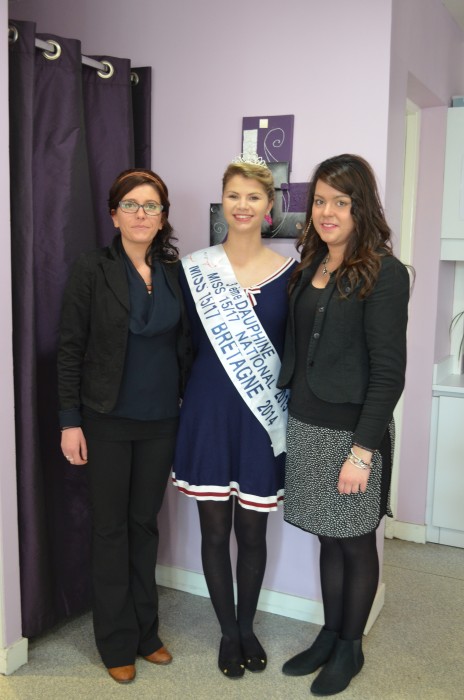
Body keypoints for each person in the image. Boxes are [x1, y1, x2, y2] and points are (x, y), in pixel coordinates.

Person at [278, 154, 410, 696]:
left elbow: (388, 373)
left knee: (355, 542)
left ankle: (350, 647)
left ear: (362, 207)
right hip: (308, 425)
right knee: (328, 541)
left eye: (341, 201)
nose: (328, 212)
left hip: (353, 434)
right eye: (321, 201)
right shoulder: (311, 265)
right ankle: (330, 634)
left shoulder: (385, 272)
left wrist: (362, 452)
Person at [57, 168, 192, 684]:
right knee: (111, 531)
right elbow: (69, 348)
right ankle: (115, 640)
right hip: (107, 419)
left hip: (162, 420)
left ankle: (146, 634)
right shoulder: (92, 268)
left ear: (163, 217)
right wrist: (70, 421)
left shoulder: (175, 270)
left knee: (144, 526)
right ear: (114, 214)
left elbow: (187, 346)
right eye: (131, 205)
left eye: (151, 206)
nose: (141, 214)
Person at [172, 155, 296, 679]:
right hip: (207, 412)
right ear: (223, 202)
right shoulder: (193, 269)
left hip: (262, 418)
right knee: (214, 528)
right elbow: (178, 347)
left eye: (253, 197)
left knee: (252, 532)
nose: (242, 206)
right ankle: (227, 633)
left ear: (269, 208)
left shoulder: (293, 274)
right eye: (234, 196)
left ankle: (248, 626)